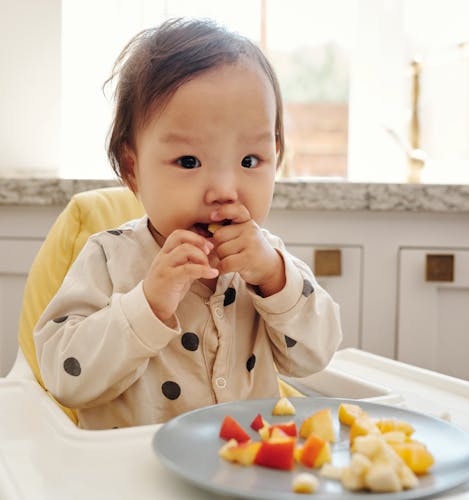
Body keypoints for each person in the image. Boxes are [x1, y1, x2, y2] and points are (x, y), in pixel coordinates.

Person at [34, 18, 342, 429]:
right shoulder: (108, 259)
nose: (224, 190)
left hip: (247, 473)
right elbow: (64, 376)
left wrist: (274, 279)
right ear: (133, 169)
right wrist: (149, 304)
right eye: (189, 162)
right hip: (135, 478)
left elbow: (316, 355)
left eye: (250, 161)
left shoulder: (270, 264)